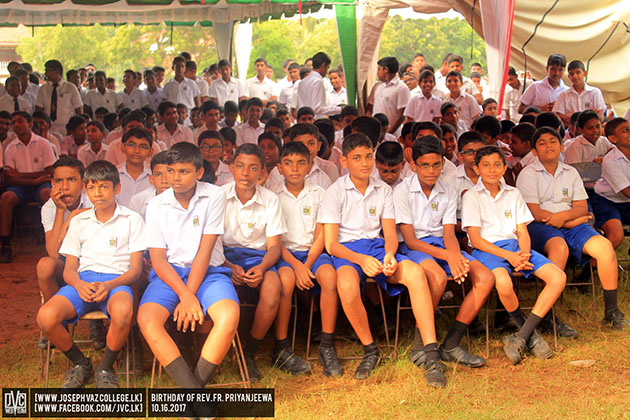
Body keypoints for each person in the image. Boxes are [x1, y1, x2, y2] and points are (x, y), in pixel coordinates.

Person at [321, 132, 446, 387]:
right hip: (347, 251)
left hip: (377, 247)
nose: (365, 163)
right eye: (357, 158)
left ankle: (429, 352)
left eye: (368, 157)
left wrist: (390, 253)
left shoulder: (383, 190)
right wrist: (361, 260)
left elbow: (390, 234)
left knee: (415, 273)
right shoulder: (334, 192)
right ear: (344, 161)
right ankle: (370, 349)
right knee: (345, 285)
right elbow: (331, 244)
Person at [137, 142, 239, 396]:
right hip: (170, 274)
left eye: (183, 171)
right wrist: (185, 295)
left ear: (199, 173)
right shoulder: (156, 205)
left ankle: (193, 391)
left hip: (209, 273)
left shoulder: (214, 195)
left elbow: (205, 252)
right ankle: (194, 395)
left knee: (229, 315)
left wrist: (189, 295)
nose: (175, 178)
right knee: (147, 320)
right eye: (170, 171)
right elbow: (158, 260)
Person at [37, 160, 145, 388]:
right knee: (45, 317)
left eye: (104, 187)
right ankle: (81, 364)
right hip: (83, 280)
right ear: (87, 189)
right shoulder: (78, 221)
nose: (98, 193)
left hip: (116, 281)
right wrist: (78, 285)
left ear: (117, 188)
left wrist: (109, 285)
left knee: (124, 310)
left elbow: (135, 270)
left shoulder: (132, 219)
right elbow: (68, 268)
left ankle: (105, 367)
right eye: (93, 187)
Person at [462, 145, 567, 365]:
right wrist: (510, 258)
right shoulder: (471, 196)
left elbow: (522, 230)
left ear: (505, 166)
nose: (492, 170)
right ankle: (530, 334)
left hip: (517, 248)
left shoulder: (513, 193)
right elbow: (477, 239)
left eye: (497, 164)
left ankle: (523, 335)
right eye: (486, 165)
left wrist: (525, 253)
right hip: (488, 250)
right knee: (503, 282)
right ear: (476, 168)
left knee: (558, 278)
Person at [395, 136, 494, 368]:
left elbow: (449, 234)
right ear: (414, 165)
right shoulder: (402, 191)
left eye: (437, 164)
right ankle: (422, 346)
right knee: (437, 277)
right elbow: (410, 240)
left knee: (485, 277)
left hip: (441, 243)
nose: (432, 171)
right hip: (414, 247)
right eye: (425, 165)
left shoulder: (447, 188)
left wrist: (455, 256)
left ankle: (451, 343)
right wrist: (449, 257)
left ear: (443, 163)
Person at [517, 127, 627, 334]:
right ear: (535, 151)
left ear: (561, 146)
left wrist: (566, 220)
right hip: (540, 225)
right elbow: (533, 211)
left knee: (604, 248)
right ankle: (548, 316)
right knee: (559, 248)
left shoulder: (570, 172)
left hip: (571, 222)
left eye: (553, 141)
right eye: (542, 143)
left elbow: (582, 208)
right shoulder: (528, 174)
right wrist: (564, 221)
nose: (548, 146)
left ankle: (612, 312)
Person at [221, 143, 310, 381]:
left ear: (262, 172)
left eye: (252, 168)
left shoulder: (270, 199)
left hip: (260, 258)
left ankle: (249, 352)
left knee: (273, 287)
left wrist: (261, 268)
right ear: (231, 167)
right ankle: (222, 351)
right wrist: (229, 266)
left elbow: (273, 246)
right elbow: (212, 244)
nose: (245, 173)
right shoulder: (219, 197)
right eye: (240, 166)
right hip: (225, 257)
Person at [275, 140, 343, 376]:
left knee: (330, 277)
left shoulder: (320, 193)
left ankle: (327, 344)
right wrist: (296, 266)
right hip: (284, 255)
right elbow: (275, 242)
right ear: (279, 167)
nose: (294, 169)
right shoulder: (273, 196)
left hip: (313, 253)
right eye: (288, 163)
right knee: (285, 280)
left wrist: (307, 264)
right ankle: (282, 346)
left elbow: (321, 234)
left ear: (310, 165)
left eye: (300, 163)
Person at [0, 111, 56, 263]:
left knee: (48, 194)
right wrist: (34, 179)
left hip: (40, 185)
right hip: (21, 187)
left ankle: (53, 240)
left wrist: (22, 176)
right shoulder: (10, 148)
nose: (15, 125)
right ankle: (5, 245)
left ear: (30, 124)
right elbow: (10, 177)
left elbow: (49, 172)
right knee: (6, 198)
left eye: (19, 121)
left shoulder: (43, 143)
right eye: (13, 123)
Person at [592, 117, 630, 250]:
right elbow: (628, 192)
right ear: (613, 139)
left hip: (626, 202)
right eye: (626, 130)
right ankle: (591, 265)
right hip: (607, 201)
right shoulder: (611, 161)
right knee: (616, 236)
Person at [265, 123, 333, 192]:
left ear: (318, 146)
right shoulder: (277, 173)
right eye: (301, 144)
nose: (306, 148)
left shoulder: (323, 178)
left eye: (311, 143)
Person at [35, 60, 83, 135]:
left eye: (47, 71)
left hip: (66, 129)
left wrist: (76, 128)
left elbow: (78, 110)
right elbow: (39, 109)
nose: (45, 74)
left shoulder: (70, 88)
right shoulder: (43, 89)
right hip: (47, 128)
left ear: (56, 72)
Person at [553, 60, 605, 126]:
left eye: (578, 72)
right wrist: (589, 118)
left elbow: (600, 116)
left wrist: (569, 118)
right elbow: (559, 116)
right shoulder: (564, 95)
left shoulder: (595, 92)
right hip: (570, 132)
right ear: (569, 77)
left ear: (585, 73)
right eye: (572, 74)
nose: (575, 76)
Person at [367, 57, 410, 134]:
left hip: (393, 132)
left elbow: (401, 115)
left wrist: (389, 132)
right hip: (374, 132)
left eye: (379, 69)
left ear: (386, 70)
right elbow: (370, 108)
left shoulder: (401, 88)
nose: (377, 73)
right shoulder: (377, 86)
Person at [296, 52, 342, 119]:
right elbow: (316, 108)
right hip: (314, 120)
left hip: (302, 119)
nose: (326, 72)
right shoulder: (318, 81)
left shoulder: (303, 82)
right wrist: (340, 110)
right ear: (323, 66)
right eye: (327, 68)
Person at [128, 151, 170, 219]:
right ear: (151, 179)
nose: (164, 181)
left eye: (169, 174)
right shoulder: (137, 201)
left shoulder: (187, 200)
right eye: (158, 175)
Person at [117, 127, 152, 207]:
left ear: (150, 151)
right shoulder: (113, 175)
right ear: (123, 147)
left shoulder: (153, 177)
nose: (137, 150)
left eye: (143, 147)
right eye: (132, 145)